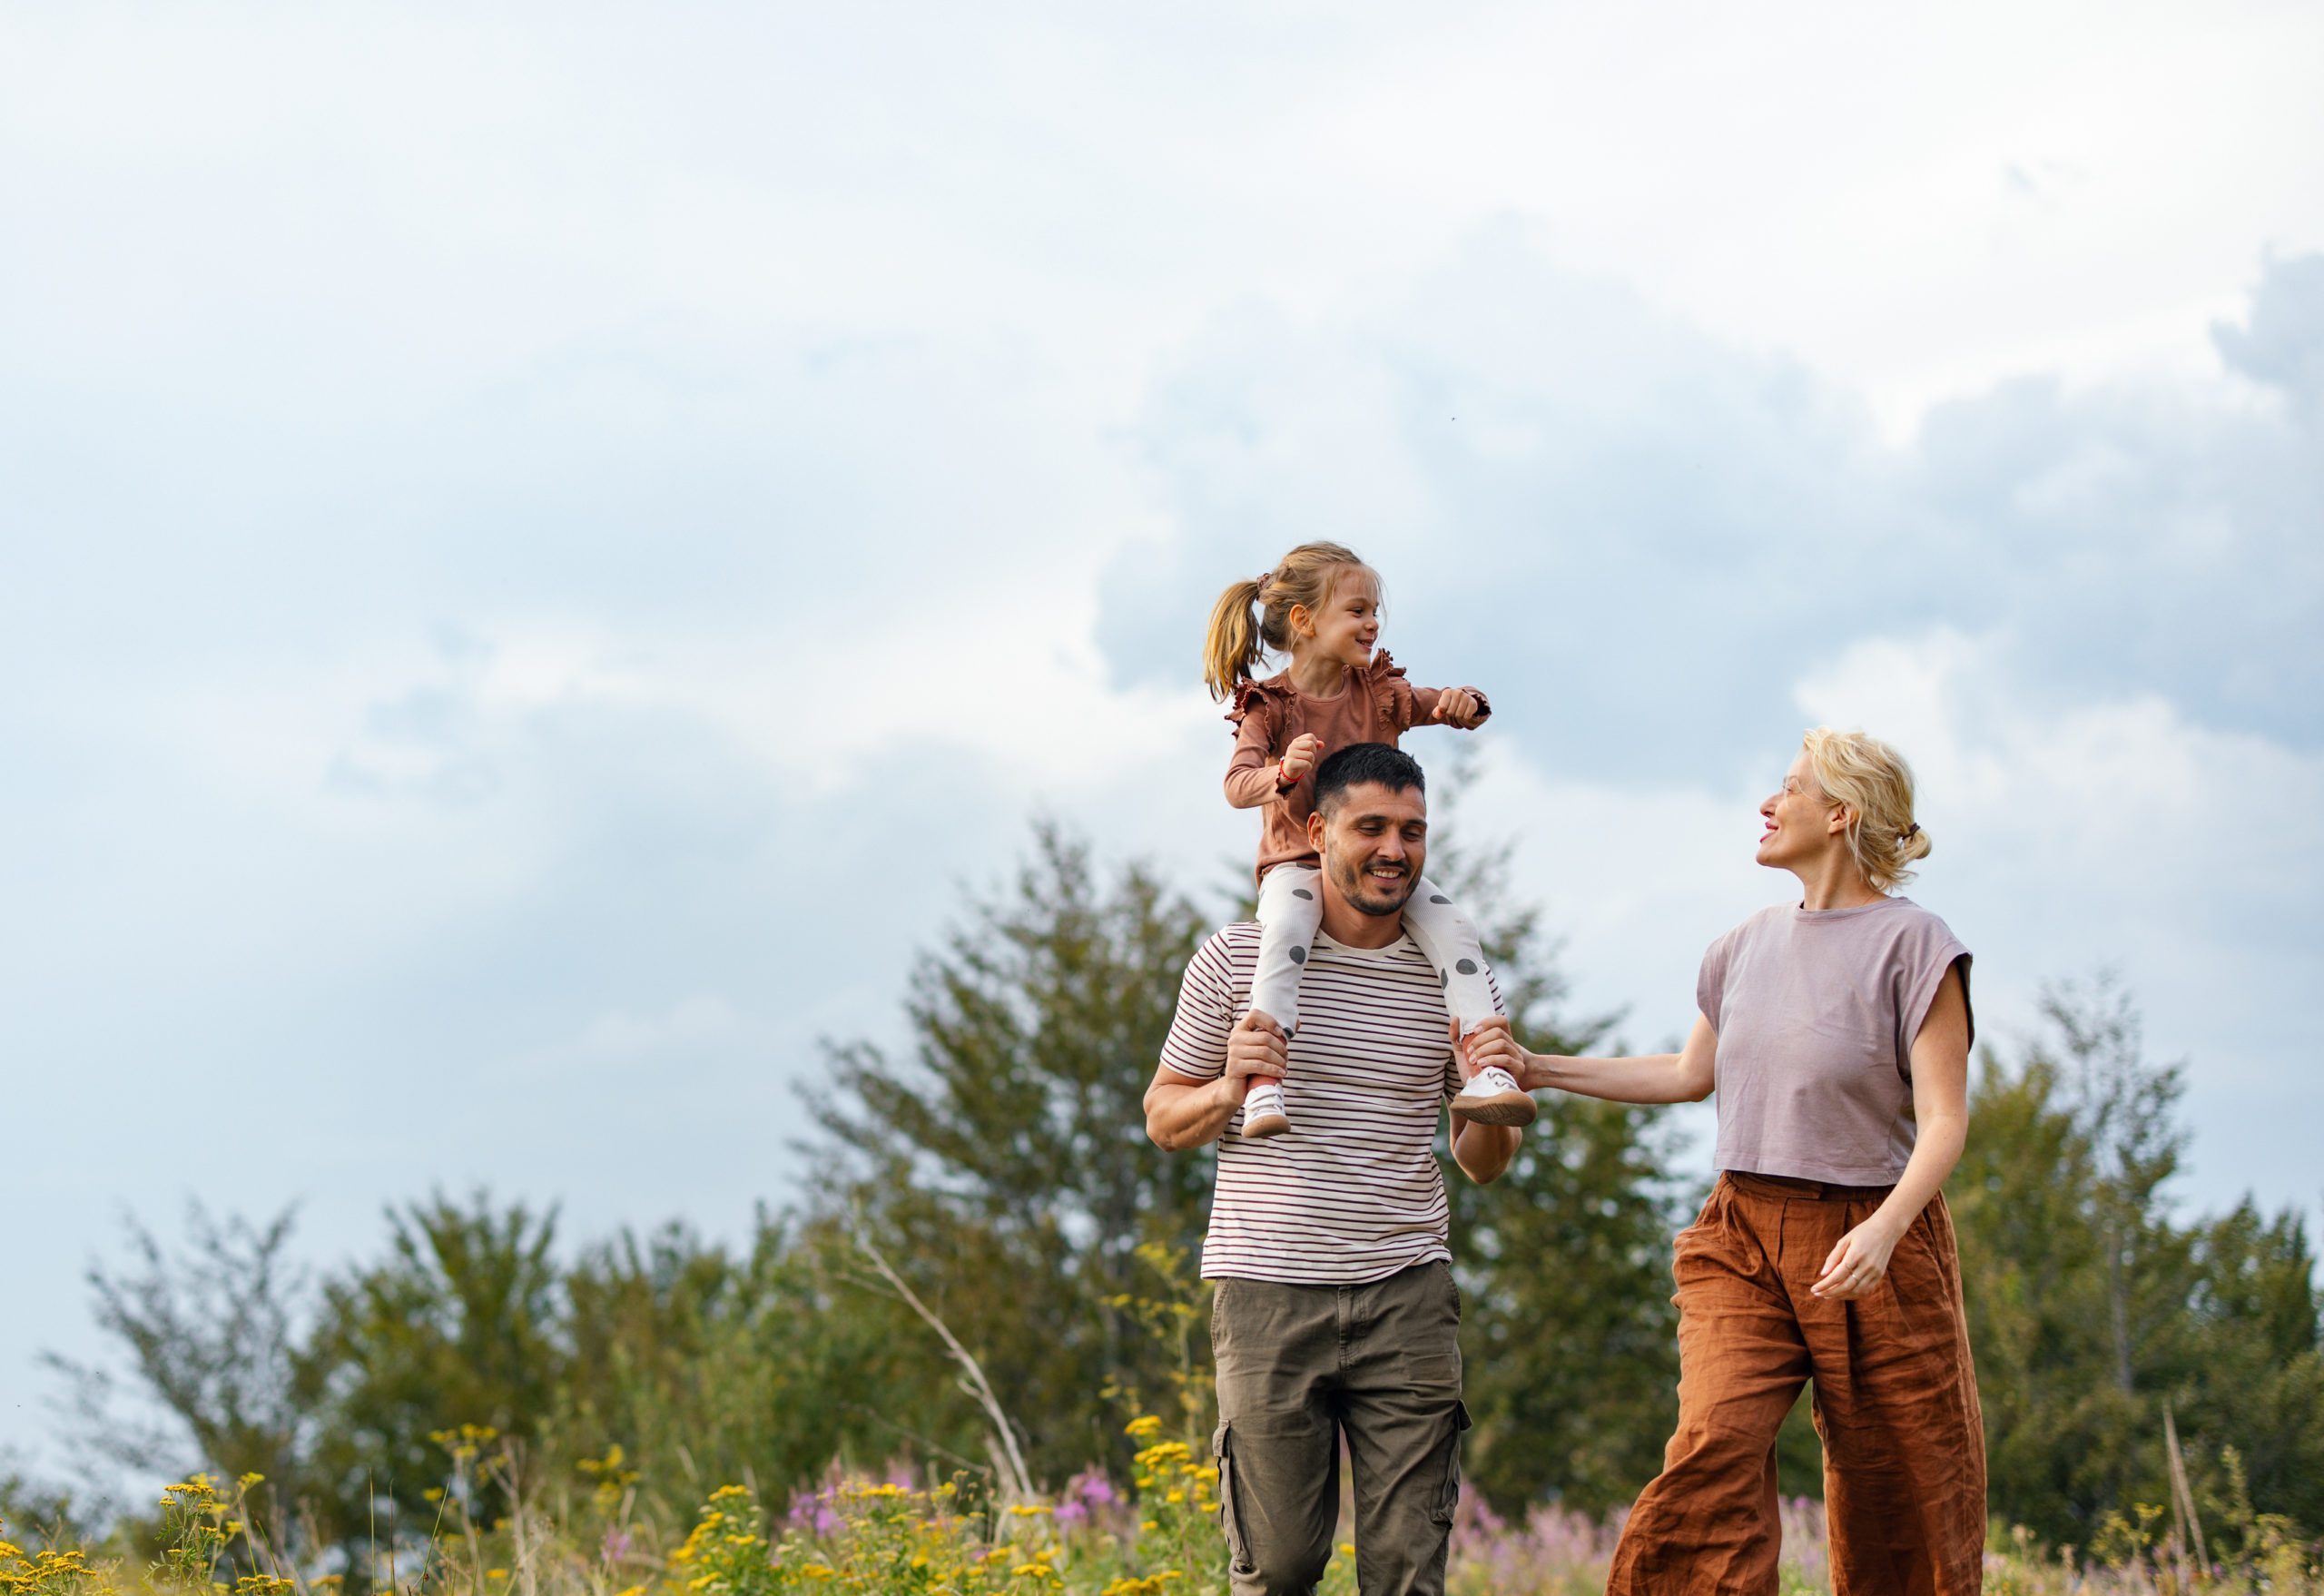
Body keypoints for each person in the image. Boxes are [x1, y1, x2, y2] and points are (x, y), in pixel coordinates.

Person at [1462, 726, 1984, 1595]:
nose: (1768, 804)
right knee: (1713, 1445)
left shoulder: (1918, 947)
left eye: (1789, 788)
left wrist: (1889, 1230)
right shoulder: (1741, 945)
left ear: (1842, 813)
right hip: (1742, 1234)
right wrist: (1537, 1067)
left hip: (1875, 1239)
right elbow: (1684, 1073)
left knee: (1906, 1493)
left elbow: (1943, 1123)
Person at [1145, 743, 1521, 1596]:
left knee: (1406, 1573)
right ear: (1317, 832)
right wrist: (1231, 1087)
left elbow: (1484, 1166)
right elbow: (1164, 1118)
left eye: (1414, 831)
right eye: (1373, 827)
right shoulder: (1237, 961)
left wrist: (1488, 1100)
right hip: (1268, 1294)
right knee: (1278, 1568)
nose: (1396, 848)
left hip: (1407, 1292)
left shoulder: (1457, 979)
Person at [1204, 541, 1532, 1138]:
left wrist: (1466, 705)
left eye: (1375, 610)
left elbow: (1441, 705)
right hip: (1296, 865)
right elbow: (1235, 785)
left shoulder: (1376, 691)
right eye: (1357, 611)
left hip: (1372, 869)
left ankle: (1488, 1069)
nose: (1372, 623)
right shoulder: (1270, 706)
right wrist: (1280, 775)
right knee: (1285, 932)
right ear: (1305, 622)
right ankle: (1263, 1082)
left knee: (1454, 926)